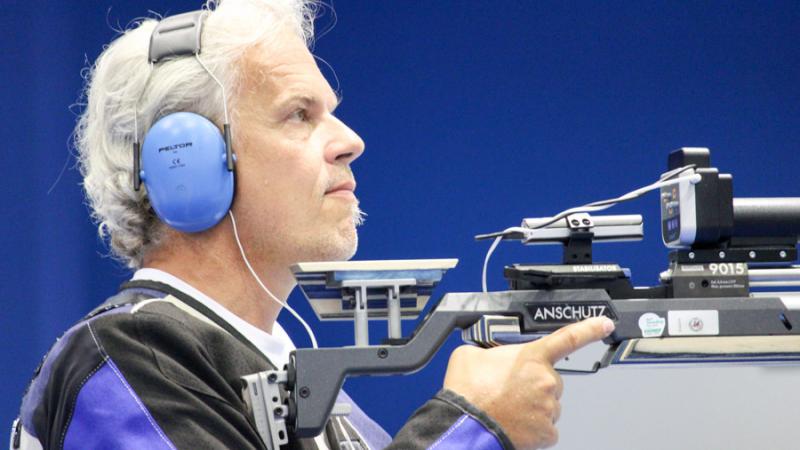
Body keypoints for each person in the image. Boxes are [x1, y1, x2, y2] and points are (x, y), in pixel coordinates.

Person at [12, 1, 615, 449]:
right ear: (186, 162)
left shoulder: (296, 388)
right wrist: (474, 428)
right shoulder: (127, 359)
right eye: (299, 114)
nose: (350, 141)